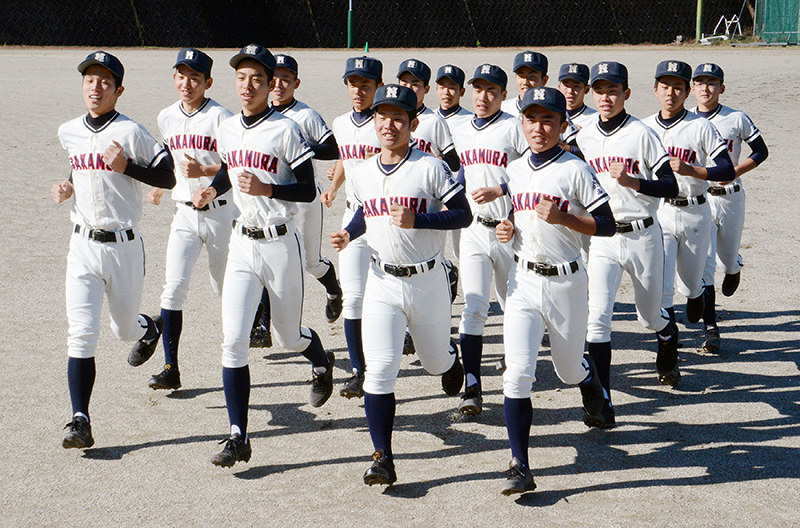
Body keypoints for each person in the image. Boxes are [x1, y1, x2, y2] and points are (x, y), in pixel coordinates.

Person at [192, 44, 334, 467]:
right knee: (233, 341)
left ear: (271, 84)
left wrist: (267, 188)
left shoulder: (286, 129)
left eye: (257, 78)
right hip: (241, 243)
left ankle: (320, 359)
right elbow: (228, 169)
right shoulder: (228, 127)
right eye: (241, 77)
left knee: (287, 337)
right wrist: (212, 189)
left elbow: (306, 190)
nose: (248, 85)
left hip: (280, 243)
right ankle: (238, 435)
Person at [330, 84, 471, 486]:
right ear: (373, 121)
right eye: (382, 116)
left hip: (427, 281)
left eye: (398, 118)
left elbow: (463, 215)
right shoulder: (361, 172)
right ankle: (382, 457)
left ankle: (450, 359)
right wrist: (349, 233)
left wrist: (419, 220)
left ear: (413, 124)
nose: (388, 125)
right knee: (379, 371)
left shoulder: (430, 168)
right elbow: (366, 213)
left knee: (434, 363)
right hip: (382, 282)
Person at [496, 86, 615, 495]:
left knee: (567, 371)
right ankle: (519, 464)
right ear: (522, 123)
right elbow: (514, 216)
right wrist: (507, 228)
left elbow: (607, 224)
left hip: (567, 281)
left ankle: (588, 378)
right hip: (523, 281)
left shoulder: (575, 169)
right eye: (531, 119)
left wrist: (565, 218)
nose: (539, 127)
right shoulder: (513, 170)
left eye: (548, 120)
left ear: (563, 125)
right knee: (517, 375)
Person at [54, 51, 175, 449]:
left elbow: (168, 176)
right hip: (82, 246)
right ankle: (80, 419)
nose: (96, 87)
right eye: (90, 79)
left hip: (124, 247)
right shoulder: (69, 131)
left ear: (118, 91)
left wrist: (128, 168)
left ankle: (150, 327)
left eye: (105, 81)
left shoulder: (131, 132)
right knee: (81, 335)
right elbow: (80, 166)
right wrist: (68, 185)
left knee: (123, 330)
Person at [575, 61, 679, 428]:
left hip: (643, 235)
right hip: (604, 237)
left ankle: (667, 333)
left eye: (613, 90)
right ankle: (602, 400)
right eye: (599, 90)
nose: (605, 97)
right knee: (597, 321)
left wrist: (634, 182)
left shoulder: (641, 133)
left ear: (626, 94)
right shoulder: (584, 136)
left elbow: (671, 186)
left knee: (648, 317)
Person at [144, 48, 233, 391]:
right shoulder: (166, 116)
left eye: (195, 77)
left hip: (221, 214)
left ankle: (255, 318)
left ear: (208, 82)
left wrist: (209, 187)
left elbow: (235, 164)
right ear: (174, 78)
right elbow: (170, 153)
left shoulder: (222, 118)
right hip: (183, 213)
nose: (186, 83)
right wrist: (161, 183)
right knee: (173, 289)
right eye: (181, 76)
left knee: (224, 289)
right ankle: (171, 368)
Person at [449, 64, 530, 415]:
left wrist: (504, 198)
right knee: (474, 306)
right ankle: (472, 385)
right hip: (473, 230)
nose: (483, 97)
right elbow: (460, 172)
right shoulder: (461, 129)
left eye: (491, 91)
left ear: (503, 95)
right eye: (478, 89)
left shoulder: (515, 127)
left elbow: (536, 173)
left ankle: (517, 368)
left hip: (511, 230)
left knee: (513, 305)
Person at [250, 54, 346, 349]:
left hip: (303, 198)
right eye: (275, 79)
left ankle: (333, 290)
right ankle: (262, 325)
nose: (279, 85)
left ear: (296, 83)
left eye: (286, 79)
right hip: (270, 198)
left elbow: (333, 148)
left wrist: (301, 148)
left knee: (309, 262)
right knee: (268, 257)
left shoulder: (305, 116)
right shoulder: (259, 115)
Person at [643, 60, 735, 352]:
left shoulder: (701, 126)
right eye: (665, 86)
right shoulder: (643, 127)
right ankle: (669, 350)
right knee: (664, 285)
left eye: (678, 87)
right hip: (662, 212)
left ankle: (695, 296)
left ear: (687, 91)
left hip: (696, 211)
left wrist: (692, 170)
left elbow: (726, 169)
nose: (670, 93)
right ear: (655, 89)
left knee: (693, 282)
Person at [690, 63, 769, 353]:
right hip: (701, 200)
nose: (706, 88)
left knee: (726, 260)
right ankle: (711, 328)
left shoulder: (736, 118)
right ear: (692, 88)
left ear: (721, 88)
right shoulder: (686, 122)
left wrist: (735, 171)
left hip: (730, 197)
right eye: (700, 82)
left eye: (712, 82)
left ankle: (734, 266)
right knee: (706, 265)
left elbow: (761, 151)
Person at [320, 56, 383, 399]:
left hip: (386, 220)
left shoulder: (387, 121)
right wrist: (334, 186)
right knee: (354, 298)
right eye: (352, 84)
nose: (358, 91)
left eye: (365, 85)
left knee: (386, 294)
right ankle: (359, 371)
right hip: (352, 218)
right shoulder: (341, 122)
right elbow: (346, 155)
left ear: (378, 86)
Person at [501, 51, 548, 116]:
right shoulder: (503, 109)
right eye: (521, 76)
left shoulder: (553, 110)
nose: (525, 82)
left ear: (544, 80)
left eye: (532, 76)